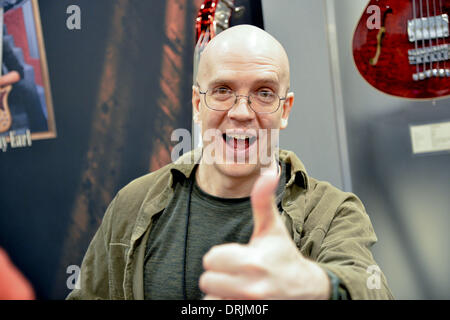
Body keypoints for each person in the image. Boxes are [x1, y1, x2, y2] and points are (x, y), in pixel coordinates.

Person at [67, 25, 393, 300]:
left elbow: (369, 287)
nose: (240, 112)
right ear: (197, 103)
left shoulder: (333, 211)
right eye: (222, 90)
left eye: (264, 93)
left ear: (285, 109)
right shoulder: (133, 204)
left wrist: (316, 286)